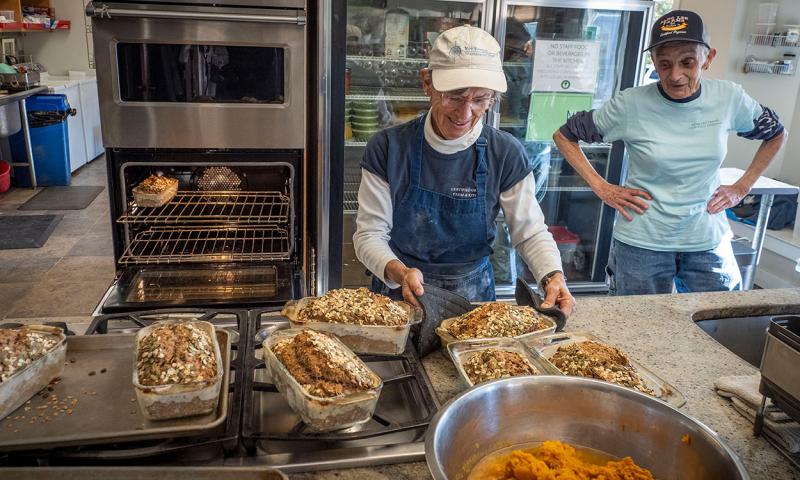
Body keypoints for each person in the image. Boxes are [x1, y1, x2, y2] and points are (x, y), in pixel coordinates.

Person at [554, 10, 787, 295]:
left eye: (687, 62)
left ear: (708, 58)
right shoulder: (631, 104)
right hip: (642, 242)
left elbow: (776, 133)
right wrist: (601, 187)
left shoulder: (728, 98)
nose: (675, 75)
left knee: (717, 323)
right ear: (654, 63)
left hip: (707, 238)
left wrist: (742, 186)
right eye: (665, 64)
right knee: (641, 327)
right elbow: (565, 136)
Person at [354, 25, 574, 315]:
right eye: (454, 96)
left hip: (474, 297)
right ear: (427, 83)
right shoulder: (388, 148)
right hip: (399, 294)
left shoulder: (504, 153)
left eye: (481, 99)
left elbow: (530, 231)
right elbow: (369, 234)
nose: (465, 112)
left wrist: (552, 275)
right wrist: (398, 272)